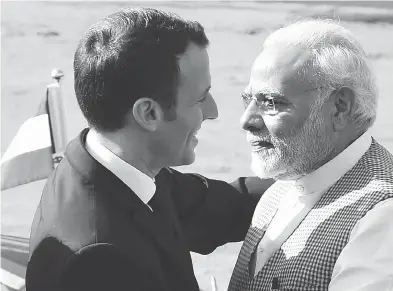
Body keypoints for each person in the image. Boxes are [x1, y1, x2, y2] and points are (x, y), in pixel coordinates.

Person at [25, 8, 273, 291]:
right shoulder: (99, 261)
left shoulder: (108, 163)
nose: (213, 111)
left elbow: (220, 208)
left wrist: (317, 187)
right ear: (149, 114)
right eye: (200, 99)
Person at [228, 19, 393, 291]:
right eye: (249, 100)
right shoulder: (280, 189)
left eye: (271, 102)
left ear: (340, 107)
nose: (247, 121)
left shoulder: (383, 216)